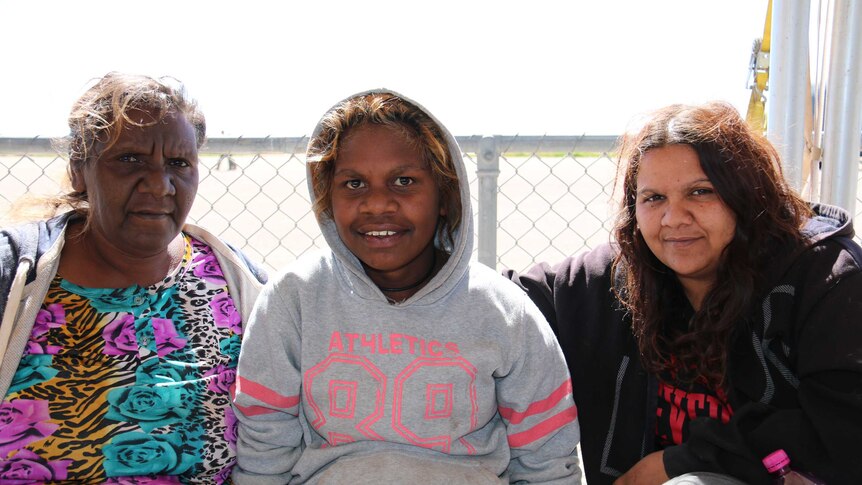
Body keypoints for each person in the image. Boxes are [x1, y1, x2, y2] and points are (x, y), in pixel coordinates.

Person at [232, 90, 581, 484]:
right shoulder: (294, 299)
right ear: (327, 199)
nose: (377, 203)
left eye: (404, 181)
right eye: (354, 183)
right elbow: (264, 449)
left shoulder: (504, 313)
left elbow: (547, 461)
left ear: (445, 198)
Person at [507, 102, 862, 485]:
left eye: (700, 192)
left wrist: (674, 464)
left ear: (748, 195)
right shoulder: (616, 279)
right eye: (654, 198)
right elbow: (499, 304)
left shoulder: (827, 279)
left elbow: (844, 432)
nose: (674, 218)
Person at [0, 72, 267, 483]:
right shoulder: (15, 275)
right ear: (78, 169)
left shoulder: (234, 279)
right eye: (130, 159)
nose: (159, 185)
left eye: (179, 164)